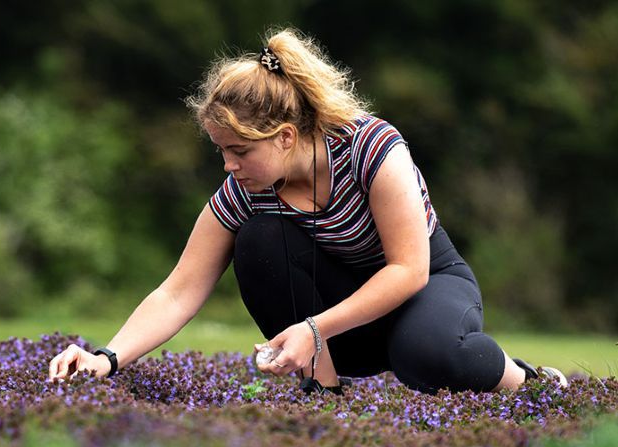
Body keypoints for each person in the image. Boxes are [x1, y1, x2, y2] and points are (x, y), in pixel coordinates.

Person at [48, 28, 567, 395]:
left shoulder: (371, 148)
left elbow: (409, 270)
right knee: (257, 241)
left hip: (426, 288)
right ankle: (324, 398)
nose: (229, 166)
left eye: (240, 151)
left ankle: (529, 381)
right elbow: (177, 291)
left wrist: (315, 328)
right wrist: (105, 358)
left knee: (426, 355)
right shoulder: (248, 190)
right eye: (221, 152)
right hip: (343, 327)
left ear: (286, 136)